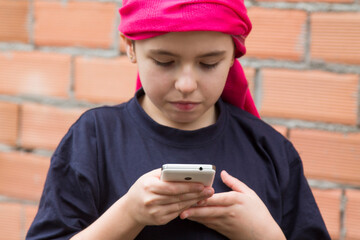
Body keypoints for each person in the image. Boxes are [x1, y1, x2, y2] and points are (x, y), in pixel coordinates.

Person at [26, 0, 331, 239]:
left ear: (234, 54)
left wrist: (263, 234)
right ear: (130, 46)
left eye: (209, 63)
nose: (186, 84)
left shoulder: (271, 150)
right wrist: (128, 215)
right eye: (165, 61)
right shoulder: (93, 139)